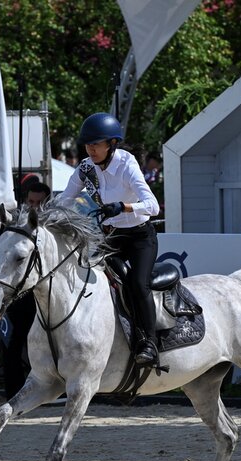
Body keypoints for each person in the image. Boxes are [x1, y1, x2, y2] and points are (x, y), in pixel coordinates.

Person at [59, 112, 161, 366]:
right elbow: (64, 199)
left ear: (111, 144)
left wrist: (124, 207)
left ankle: (149, 342)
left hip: (140, 237)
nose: (90, 149)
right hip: (111, 236)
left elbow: (153, 206)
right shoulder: (85, 168)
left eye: (96, 144)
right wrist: (40, 219)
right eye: (88, 144)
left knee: (137, 284)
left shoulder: (128, 164)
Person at [2, 180, 51, 398]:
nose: (34, 207)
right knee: (17, 341)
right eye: (31, 201)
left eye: (39, 203)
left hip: (49, 296)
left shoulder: (54, 223)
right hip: (22, 295)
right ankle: (13, 390)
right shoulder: (15, 225)